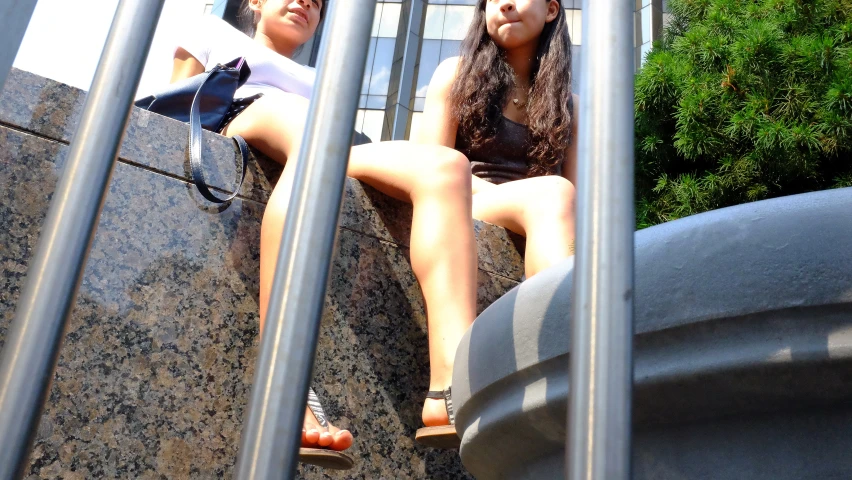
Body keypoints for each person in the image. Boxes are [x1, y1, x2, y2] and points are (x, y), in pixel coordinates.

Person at [170, 0, 479, 465]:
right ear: (255, 2)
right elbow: (173, 104)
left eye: (315, 3)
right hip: (245, 112)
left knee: (447, 167)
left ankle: (451, 385)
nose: (305, 5)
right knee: (317, 135)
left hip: (323, 140)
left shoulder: (326, 80)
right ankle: (282, 384)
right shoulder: (215, 33)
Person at [416, 0, 578, 281]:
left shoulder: (571, 108)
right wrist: (534, 197)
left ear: (551, 10)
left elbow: (578, 201)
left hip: (546, 219)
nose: (505, 4)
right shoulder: (456, 76)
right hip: (464, 205)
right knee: (554, 194)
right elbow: (428, 173)